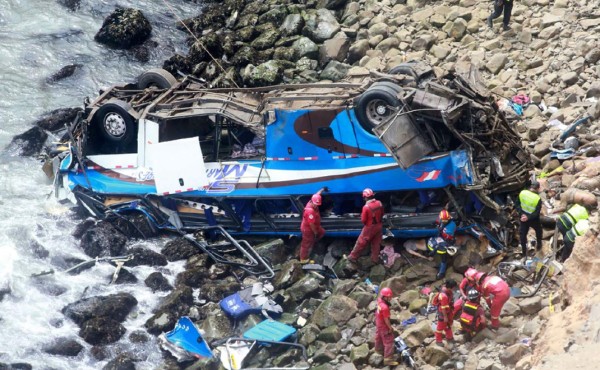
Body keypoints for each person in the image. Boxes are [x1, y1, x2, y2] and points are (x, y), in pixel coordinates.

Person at [348, 188, 385, 264]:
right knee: (376, 243)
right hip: (379, 225)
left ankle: (353, 257)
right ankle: (375, 259)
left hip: (369, 227)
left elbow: (363, 220)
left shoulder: (366, 207)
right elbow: (382, 213)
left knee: (361, 242)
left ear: (365, 197)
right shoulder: (379, 203)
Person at [299, 188, 327, 263]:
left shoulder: (314, 200)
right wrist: (315, 232)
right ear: (312, 202)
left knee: (322, 233)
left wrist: (322, 189)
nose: (316, 206)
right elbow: (311, 224)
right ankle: (303, 259)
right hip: (308, 229)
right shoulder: (310, 211)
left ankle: (314, 242)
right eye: (315, 205)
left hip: (316, 226)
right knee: (306, 243)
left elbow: (317, 194)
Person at [516, 181, 542, 258]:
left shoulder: (522, 193)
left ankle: (524, 253)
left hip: (523, 218)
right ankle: (539, 244)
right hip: (533, 219)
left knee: (523, 235)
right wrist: (528, 217)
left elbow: (517, 204)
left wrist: (521, 214)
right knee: (539, 230)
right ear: (537, 188)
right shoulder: (537, 199)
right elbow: (537, 212)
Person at [374, 287, 399, 366]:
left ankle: (379, 350)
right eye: (389, 297)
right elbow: (386, 320)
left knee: (379, 337)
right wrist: (390, 328)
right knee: (389, 341)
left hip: (378, 323)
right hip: (383, 325)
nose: (390, 298)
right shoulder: (385, 307)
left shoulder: (379, 301)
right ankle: (388, 359)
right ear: (385, 297)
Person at [433, 279, 457, 347]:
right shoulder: (444, 296)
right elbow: (443, 308)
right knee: (440, 327)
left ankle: (449, 337)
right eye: (454, 287)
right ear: (451, 287)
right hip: (443, 313)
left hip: (448, 311)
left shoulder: (447, 291)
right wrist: (445, 317)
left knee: (448, 325)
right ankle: (438, 340)